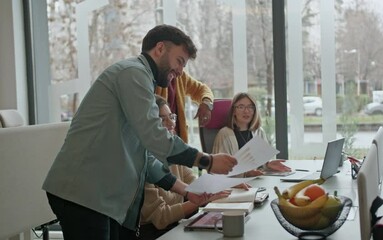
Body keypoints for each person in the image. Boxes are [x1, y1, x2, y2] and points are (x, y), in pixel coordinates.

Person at [42, 24, 237, 240]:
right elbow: (156, 138)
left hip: (99, 196)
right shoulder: (133, 73)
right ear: (160, 49)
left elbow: (146, 158)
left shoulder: (141, 80)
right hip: (83, 192)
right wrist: (207, 161)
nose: (181, 71)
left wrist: (187, 191)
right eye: (180, 61)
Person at [138, 95, 228, 239]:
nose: (171, 123)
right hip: (152, 233)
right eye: (162, 119)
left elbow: (194, 184)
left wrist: (226, 184)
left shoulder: (175, 150)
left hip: (175, 227)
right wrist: (201, 200)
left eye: (171, 117)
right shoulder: (142, 160)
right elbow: (161, 218)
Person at [212, 92, 291, 177]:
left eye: (250, 107)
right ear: (234, 111)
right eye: (241, 107)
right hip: (235, 186)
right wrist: (245, 174)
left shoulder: (259, 131)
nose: (246, 111)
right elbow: (218, 171)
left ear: (254, 111)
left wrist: (268, 165)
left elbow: (261, 163)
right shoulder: (225, 134)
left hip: (258, 181)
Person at [155, 71, 214, 143]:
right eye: (180, 61)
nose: (180, 70)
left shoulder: (181, 77)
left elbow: (202, 89)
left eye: (183, 64)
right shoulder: (150, 75)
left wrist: (206, 102)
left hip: (178, 139)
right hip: (158, 140)